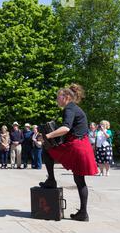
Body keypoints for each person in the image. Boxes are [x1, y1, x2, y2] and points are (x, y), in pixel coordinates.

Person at [39, 84, 98, 222]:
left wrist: (47, 136)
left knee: (47, 149)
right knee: (79, 180)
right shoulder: (75, 108)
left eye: (57, 97)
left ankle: (51, 180)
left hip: (76, 146)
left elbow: (66, 128)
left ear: (65, 97)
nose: (56, 100)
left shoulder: (69, 108)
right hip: (82, 145)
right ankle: (83, 213)